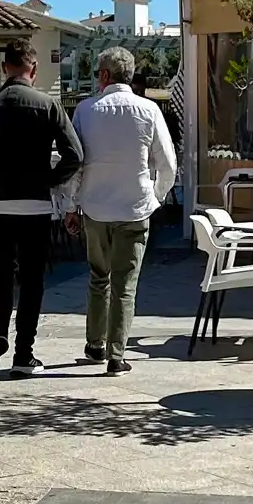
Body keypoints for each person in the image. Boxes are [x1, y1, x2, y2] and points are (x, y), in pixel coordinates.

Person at [0, 39, 82, 374]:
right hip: (34, 203)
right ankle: (24, 352)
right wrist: (49, 179)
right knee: (33, 278)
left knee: (1, 271)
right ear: (33, 69)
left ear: (4, 67)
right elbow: (75, 155)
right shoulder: (49, 105)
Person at [70, 46, 177, 375]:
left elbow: (74, 164)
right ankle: (117, 354)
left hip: (94, 205)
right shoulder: (148, 110)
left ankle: (94, 343)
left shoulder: (85, 111)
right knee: (125, 284)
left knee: (98, 276)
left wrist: (71, 204)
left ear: (103, 75)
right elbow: (168, 164)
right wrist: (155, 197)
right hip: (133, 206)